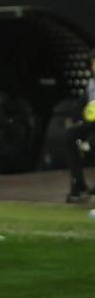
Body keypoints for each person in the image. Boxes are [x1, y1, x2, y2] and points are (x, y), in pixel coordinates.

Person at [63, 52, 95, 203]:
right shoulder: (91, 84)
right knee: (69, 135)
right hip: (90, 124)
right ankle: (78, 182)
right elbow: (81, 104)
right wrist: (72, 118)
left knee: (92, 143)